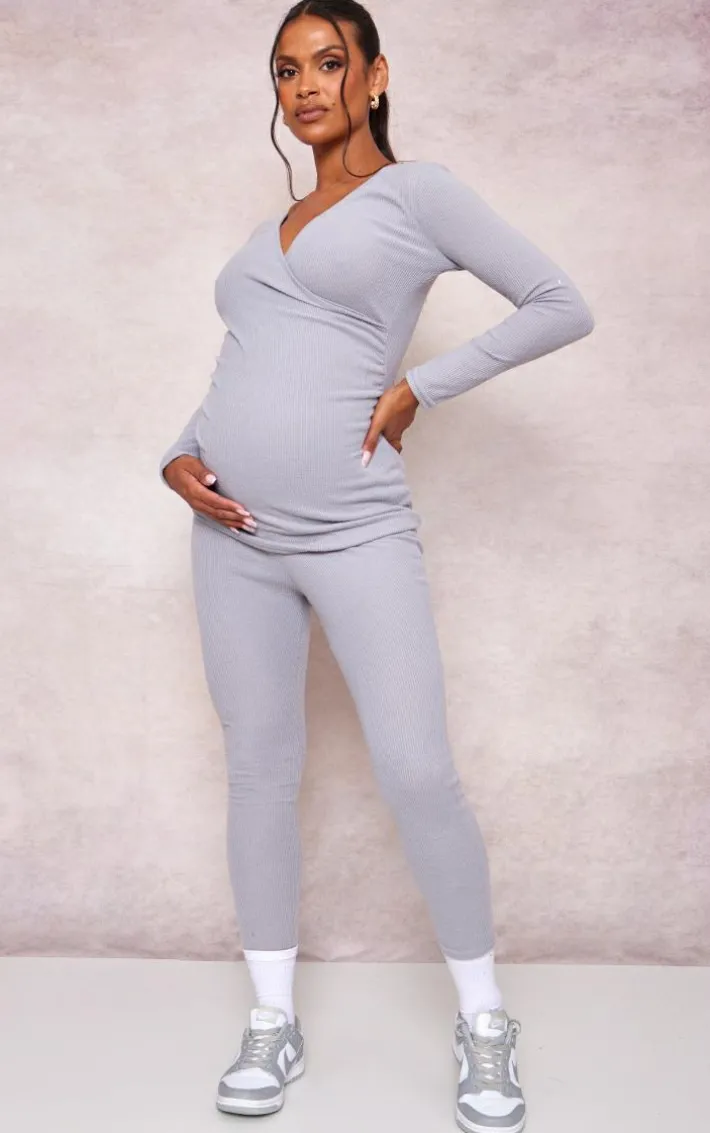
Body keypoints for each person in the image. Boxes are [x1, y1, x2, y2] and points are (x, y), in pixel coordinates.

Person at [159, 2, 594, 1130]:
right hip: (232, 534)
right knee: (259, 768)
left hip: (354, 527)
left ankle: (484, 1019)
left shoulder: (415, 195)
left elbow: (560, 304)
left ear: (375, 74)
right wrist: (179, 453)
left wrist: (418, 389)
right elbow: (249, 360)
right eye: (285, 70)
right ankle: (271, 1018)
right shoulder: (274, 227)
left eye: (326, 63)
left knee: (415, 770)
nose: (305, 86)